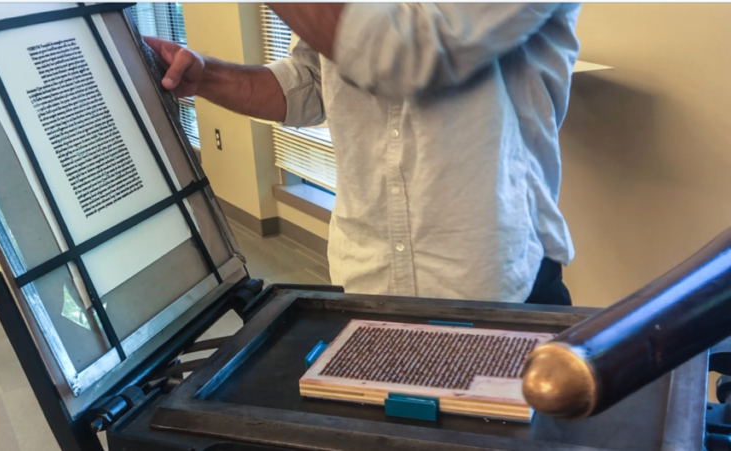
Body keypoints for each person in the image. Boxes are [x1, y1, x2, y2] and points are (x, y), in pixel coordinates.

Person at [145, 4, 581, 305]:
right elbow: (313, 81)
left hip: (492, 282)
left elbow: (403, 53)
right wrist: (208, 77)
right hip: (368, 274)